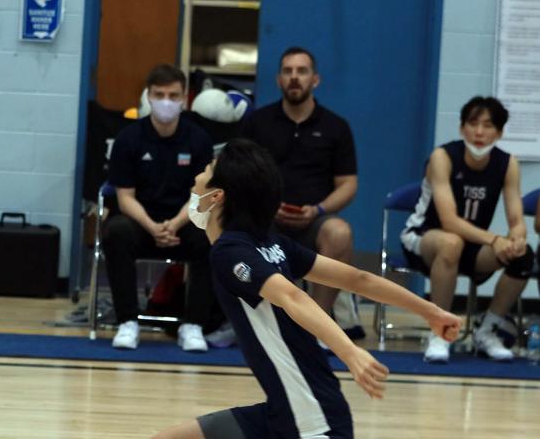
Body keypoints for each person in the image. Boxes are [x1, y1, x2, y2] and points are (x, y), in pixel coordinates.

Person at [153, 139, 461, 439]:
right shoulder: (270, 243)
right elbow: (358, 280)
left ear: (217, 196)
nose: (197, 176)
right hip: (283, 413)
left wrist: (350, 353)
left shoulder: (229, 252)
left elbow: (292, 296)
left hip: (312, 423)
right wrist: (431, 311)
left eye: (206, 170)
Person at [240, 47, 363, 337]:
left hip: (314, 220)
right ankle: (247, 323)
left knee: (340, 232)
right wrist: (266, 207)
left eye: (302, 71)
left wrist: (318, 210)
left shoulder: (336, 126)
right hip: (265, 219)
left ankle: (316, 327)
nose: (295, 78)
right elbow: (240, 176)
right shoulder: (257, 123)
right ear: (278, 80)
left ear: (315, 80)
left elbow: (348, 184)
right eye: (288, 71)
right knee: (234, 231)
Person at [401, 96, 533, 363]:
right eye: (473, 124)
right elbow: (449, 221)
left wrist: (516, 239)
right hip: (424, 238)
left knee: (523, 255)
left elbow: (516, 219)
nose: (480, 132)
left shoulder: (508, 164)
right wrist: (495, 239)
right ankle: (440, 332)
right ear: (462, 128)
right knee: (451, 242)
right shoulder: (443, 157)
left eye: (488, 125)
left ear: (500, 132)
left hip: (470, 245)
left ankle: (487, 329)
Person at [104, 64, 215, 352]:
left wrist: (174, 224)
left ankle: (193, 324)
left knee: (212, 236)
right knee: (115, 231)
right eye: (159, 94)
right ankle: (127, 322)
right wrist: (153, 227)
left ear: (184, 99)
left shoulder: (199, 140)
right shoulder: (129, 139)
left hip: (184, 221)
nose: (166, 101)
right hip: (140, 222)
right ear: (148, 96)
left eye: (173, 95)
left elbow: (201, 196)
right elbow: (124, 197)